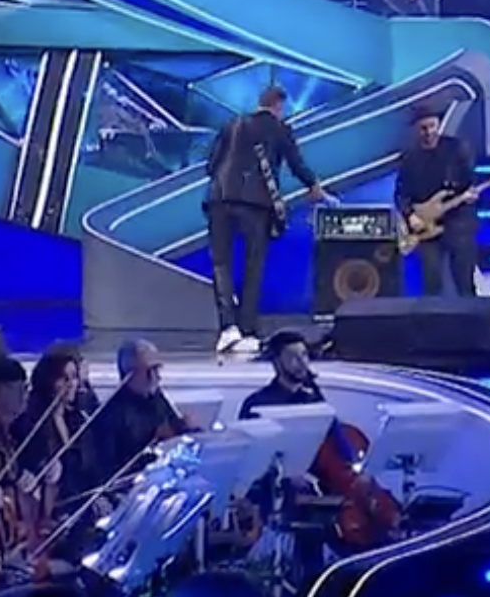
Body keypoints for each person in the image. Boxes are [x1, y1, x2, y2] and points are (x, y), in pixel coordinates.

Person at [203, 85, 325, 356]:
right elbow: (296, 164)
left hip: (218, 200)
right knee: (253, 266)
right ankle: (247, 330)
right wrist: (313, 185)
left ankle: (227, 328)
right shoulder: (280, 129)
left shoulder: (231, 124)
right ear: (279, 105)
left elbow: (210, 167)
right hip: (254, 204)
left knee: (221, 265)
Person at [397, 108, 484, 299]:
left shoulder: (456, 149)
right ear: (416, 130)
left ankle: (469, 315)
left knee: (464, 280)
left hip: (458, 223)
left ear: (438, 125)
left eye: (432, 126)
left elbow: (470, 180)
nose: (429, 132)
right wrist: (410, 215)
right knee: (431, 282)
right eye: (423, 128)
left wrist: (470, 194)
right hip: (426, 228)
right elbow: (401, 194)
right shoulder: (409, 157)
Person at [88, 339, 184, 487]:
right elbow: (108, 471)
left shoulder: (155, 398)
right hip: (135, 488)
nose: (156, 377)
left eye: (158, 370)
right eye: (149, 371)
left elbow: (172, 430)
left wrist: (184, 427)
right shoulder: (111, 414)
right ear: (130, 374)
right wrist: (153, 441)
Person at [239, 329, 325, 418]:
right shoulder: (257, 403)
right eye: (293, 356)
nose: (302, 362)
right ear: (277, 363)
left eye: (304, 355)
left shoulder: (314, 398)